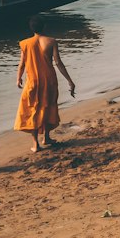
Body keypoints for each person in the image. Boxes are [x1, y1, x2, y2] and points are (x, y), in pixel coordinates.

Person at [14, 22, 75, 152]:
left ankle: (35, 143)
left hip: (32, 81)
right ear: (44, 27)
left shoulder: (25, 43)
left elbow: (22, 63)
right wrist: (69, 80)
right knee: (49, 107)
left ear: (31, 28)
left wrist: (18, 77)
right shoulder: (51, 41)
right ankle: (46, 137)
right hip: (49, 79)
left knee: (33, 109)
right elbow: (58, 62)